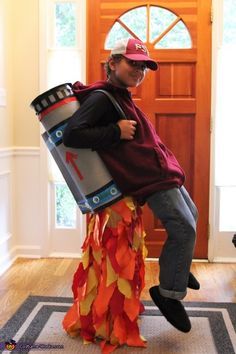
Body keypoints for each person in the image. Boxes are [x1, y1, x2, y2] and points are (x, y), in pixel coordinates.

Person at [63, 37, 200, 333]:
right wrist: (115, 131)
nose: (139, 71)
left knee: (192, 215)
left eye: (144, 67)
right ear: (112, 63)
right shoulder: (102, 98)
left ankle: (177, 269)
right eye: (133, 64)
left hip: (161, 173)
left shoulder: (120, 95)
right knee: (184, 227)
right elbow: (73, 135)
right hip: (148, 179)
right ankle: (168, 294)